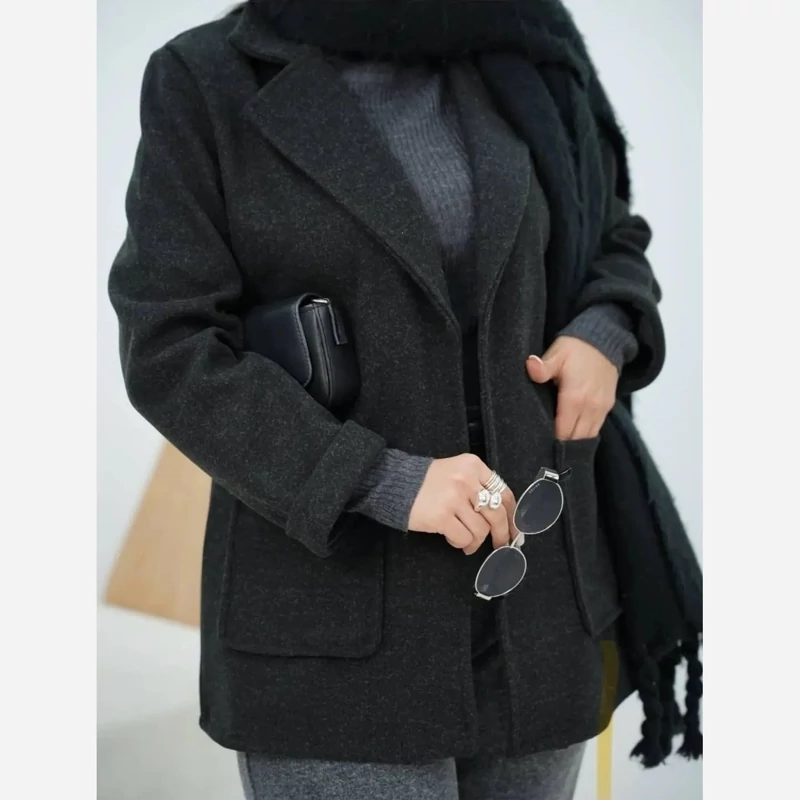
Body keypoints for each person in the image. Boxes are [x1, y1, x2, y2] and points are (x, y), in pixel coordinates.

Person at [109, 2, 701, 798]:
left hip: (541, 613)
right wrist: (378, 478)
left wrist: (605, 329)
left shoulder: (523, 43)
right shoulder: (204, 77)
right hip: (334, 629)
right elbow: (170, 345)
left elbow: (612, 233)